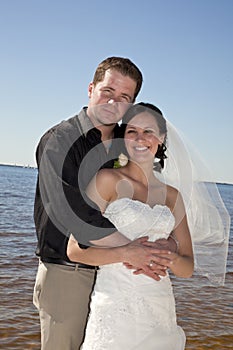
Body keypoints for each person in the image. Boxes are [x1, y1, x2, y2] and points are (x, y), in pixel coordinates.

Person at [33, 58, 177, 350]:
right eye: (107, 91)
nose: (113, 102)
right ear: (90, 89)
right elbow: (75, 215)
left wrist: (167, 244)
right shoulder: (60, 141)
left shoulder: (123, 143)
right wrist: (135, 252)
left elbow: (143, 197)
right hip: (68, 271)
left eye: (124, 97)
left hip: (112, 280)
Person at [67, 102, 194, 349]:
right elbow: (74, 250)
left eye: (148, 132)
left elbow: (187, 267)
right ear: (123, 137)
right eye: (132, 131)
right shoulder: (107, 180)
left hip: (159, 304)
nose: (140, 138)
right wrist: (126, 253)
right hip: (115, 304)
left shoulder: (173, 196)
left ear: (161, 138)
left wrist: (167, 257)